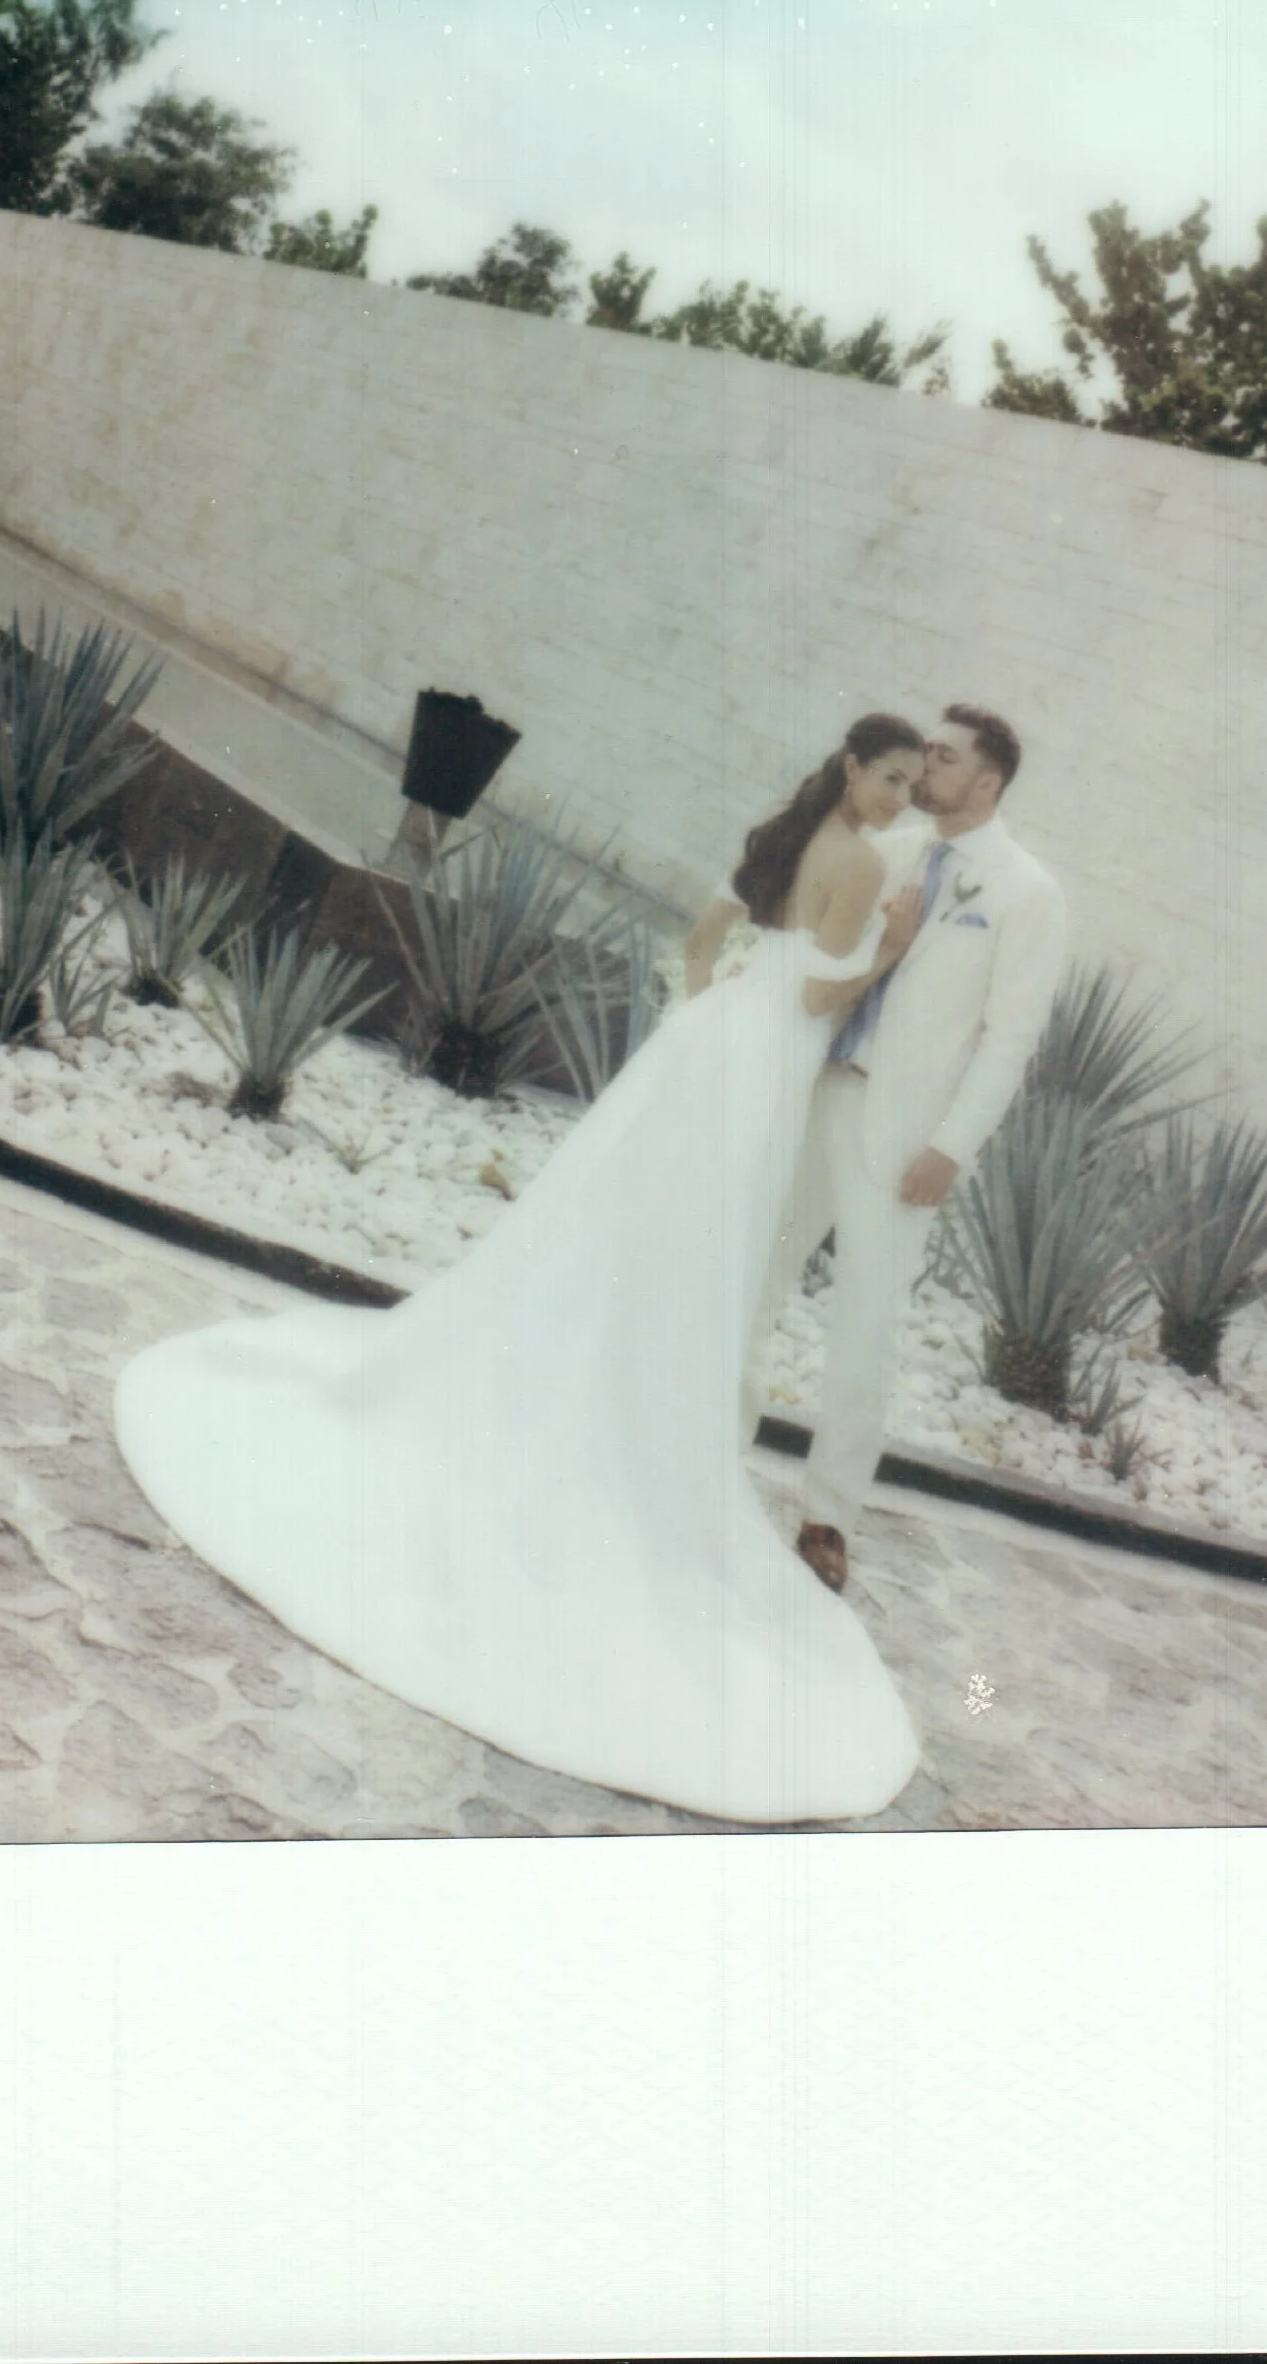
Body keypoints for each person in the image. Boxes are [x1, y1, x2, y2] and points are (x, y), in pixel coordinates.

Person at [114, 714, 932, 1827]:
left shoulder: (787, 835)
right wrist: (889, 949)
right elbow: (816, 997)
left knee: (631, 1217)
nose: (898, 799)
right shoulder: (860, 863)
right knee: (696, 1240)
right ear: (852, 768)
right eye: (890, 778)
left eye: (909, 785)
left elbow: (707, 940)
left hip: (710, 1043)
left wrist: (710, 998)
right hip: (765, 1057)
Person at [717, 706, 1070, 1595]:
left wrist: (950, 1146)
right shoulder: (893, 848)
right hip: (818, 1095)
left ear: (986, 783)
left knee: (864, 1326)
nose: (922, 770)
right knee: (755, 1274)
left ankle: (827, 1514)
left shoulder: (1026, 892)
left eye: (942, 759)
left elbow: (1009, 1039)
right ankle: (713, 1453)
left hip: (905, 1135)